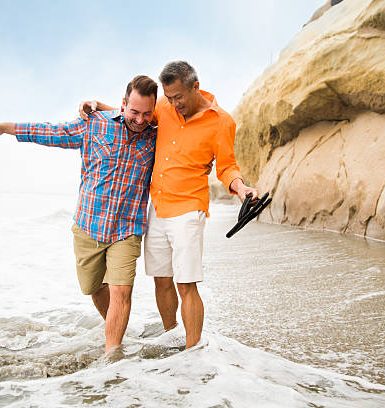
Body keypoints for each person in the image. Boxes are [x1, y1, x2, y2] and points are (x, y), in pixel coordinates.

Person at [80, 61, 257, 349]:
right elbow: (134, 114)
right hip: (158, 208)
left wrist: (241, 188)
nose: (173, 104)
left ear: (195, 87)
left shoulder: (222, 122)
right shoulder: (164, 107)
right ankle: (171, 334)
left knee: (186, 284)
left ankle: (193, 350)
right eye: (169, 98)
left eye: (178, 97)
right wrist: (97, 104)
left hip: (189, 208)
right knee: (161, 281)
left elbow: (227, 167)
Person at [0, 75, 158, 356]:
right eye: (134, 111)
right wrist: (5, 127)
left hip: (127, 229)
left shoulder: (155, 133)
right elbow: (51, 132)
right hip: (89, 225)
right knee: (94, 288)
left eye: (147, 113)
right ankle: (118, 329)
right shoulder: (95, 124)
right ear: (123, 105)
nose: (140, 119)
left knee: (122, 291)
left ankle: (114, 356)